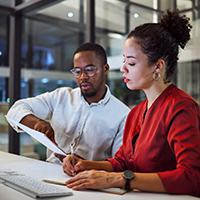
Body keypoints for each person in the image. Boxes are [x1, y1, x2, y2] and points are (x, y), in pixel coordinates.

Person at [62, 10, 200, 197]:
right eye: (124, 61)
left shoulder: (181, 108)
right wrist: (85, 164)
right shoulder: (137, 112)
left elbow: (191, 177)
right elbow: (123, 162)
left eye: (132, 63)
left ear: (157, 66)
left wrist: (118, 179)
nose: (123, 68)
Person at [7, 42, 130, 164]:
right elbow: (16, 109)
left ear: (105, 69)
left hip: (90, 180)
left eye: (89, 70)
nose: (83, 77)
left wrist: (86, 165)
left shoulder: (123, 116)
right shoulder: (61, 97)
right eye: (77, 71)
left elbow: (119, 164)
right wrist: (37, 123)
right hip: (49, 172)